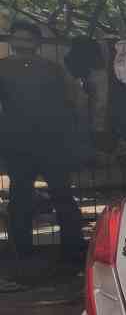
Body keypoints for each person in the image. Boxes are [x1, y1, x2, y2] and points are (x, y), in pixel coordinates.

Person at [0, 22, 89, 263]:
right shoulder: (52, 68)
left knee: (24, 197)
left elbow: (70, 103)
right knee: (57, 195)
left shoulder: (9, 68)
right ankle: (72, 250)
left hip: (27, 144)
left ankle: (24, 252)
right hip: (44, 143)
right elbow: (72, 104)